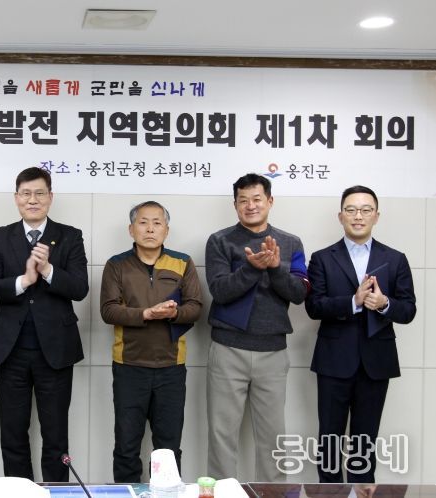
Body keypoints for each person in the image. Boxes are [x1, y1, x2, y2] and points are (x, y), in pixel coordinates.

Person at [0, 167, 89, 482]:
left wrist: (49, 270)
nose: (33, 200)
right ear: (16, 198)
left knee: (56, 436)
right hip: (10, 350)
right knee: (13, 434)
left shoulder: (70, 235)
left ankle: (56, 492)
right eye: (26, 193)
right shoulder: (0, 236)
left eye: (40, 193)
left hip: (55, 351)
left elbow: (80, 288)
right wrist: (24, 280)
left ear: (50, 197)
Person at [305, 185, 416, 483]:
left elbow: (408, 310)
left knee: (365, 444)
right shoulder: (322, 258)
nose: (358, 216)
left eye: (366, 210)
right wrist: (353, 302)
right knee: (329, 442)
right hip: (333, 362)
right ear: (340, 216)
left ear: (376, 216)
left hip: (376, 362)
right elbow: (313, 307)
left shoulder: (396, 258)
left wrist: (384, 303)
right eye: (351, 210)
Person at [204, 173, 309, 482]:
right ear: (235, 204)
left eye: (257, 199)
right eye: (243, 200)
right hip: (228, 349)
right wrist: (252, 268)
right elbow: (220, 291)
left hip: (272, 352)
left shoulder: (291, 243)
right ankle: (223, 491)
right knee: (222, 434)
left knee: (273, 438)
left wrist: (275, 269)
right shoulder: (219, 240)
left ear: (270, 201)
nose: (250, 206)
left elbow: (299, 293)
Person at [100, 200, 203, 483]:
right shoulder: (116, 264)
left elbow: (195, 306)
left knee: (168, 449)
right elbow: (108, 310)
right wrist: (146, 313)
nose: (150, 229)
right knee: (126, 446)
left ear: (166, 230)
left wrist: (174, 313)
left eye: (157, 223)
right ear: (131, 229)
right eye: (143, 222)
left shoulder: (182, 262)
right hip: (129, 367)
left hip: (171, 368)